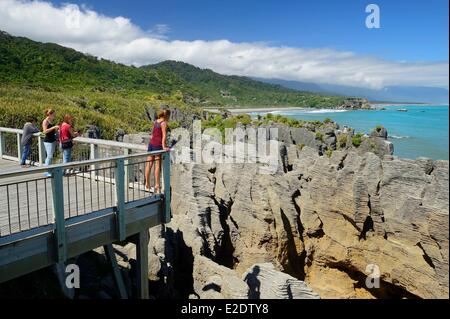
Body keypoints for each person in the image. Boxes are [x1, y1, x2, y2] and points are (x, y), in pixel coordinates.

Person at [145, 109, 170, 193]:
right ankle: (157, 184)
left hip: (151, 144)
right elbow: (164, 136)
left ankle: (147, 183)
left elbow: (152, 134)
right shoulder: (164, 123)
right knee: (157, 165)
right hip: (157, 145)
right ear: (166, 116)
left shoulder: (156, 122)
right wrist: (164, 146)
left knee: (148, 164)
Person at [42, 109, 59, 174]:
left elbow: (52, 131)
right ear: (50, 114)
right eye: (54, 114)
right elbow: (45, 131)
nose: (55, 115)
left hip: (53, 140)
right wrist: (54, 127)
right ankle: (46, 171)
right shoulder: (45, 121)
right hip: (48, 141)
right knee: (49, 156)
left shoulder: (51, 120)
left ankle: (49, 170)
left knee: (50, 156)